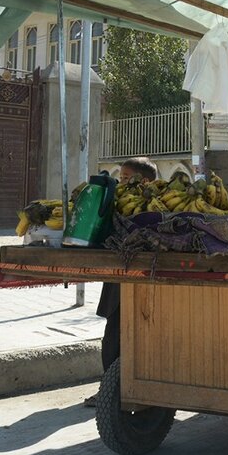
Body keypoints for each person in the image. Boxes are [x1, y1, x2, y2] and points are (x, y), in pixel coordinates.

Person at [85, 156, 158, 407]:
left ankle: (128, 389)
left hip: (143, 283)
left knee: (136, 338)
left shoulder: (151, 207)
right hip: (119, 281)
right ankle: (109, 387)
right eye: (121, 177)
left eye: (127, 178)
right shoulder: (117, 203)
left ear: (145, 181)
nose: (121, 182)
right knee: (113, 336)